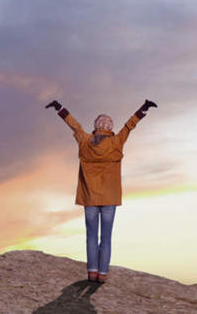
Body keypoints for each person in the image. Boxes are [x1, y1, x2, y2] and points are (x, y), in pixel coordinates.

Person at [46, 98, 157, 283]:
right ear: (110, 127)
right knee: (106, 237)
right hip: (109, 198)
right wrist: (143, 109)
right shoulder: (115, 143)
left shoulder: (85, 141)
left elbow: (74, 126)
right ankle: (103, 274)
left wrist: (60, 108)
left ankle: (92, 272)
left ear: (96, 126)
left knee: (90, 235)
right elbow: (129, 126)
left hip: (89, 197)